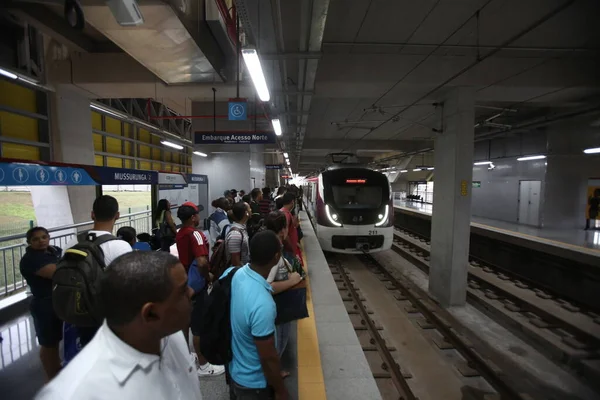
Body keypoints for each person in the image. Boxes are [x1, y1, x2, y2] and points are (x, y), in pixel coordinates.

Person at [35, 252, 203, 400]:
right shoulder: (77, 393)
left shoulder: (169, 334)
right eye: (182, 291)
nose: (191, 292)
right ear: (150, 314)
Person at [226, 230, 289, 400]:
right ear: (276, 257)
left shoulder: (237, 274)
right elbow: (268, 357)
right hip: (254, 386)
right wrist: (281, 390)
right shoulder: (263, 304)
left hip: (235, 371)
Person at [64, 195, 133, 346]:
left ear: (92, 214)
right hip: (108, 313)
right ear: (117, 216)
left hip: (78, 309)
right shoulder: (121, 246)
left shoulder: (74, 241)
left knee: (86, 346)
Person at [175, 202, 226, 377]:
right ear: (192, 218)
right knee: (199, 326)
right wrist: (208, 276)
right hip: (196, 285)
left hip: (183, 283)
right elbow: (202, 262)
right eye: (196, 214)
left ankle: (185, 358)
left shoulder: (180, 233)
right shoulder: (195, 234)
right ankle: (204, 365)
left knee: (185, 323)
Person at [19, 227, 63, 381]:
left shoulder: (54, 251)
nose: (41, 241)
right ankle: (51, 379)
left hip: (58, 300)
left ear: (49, 237)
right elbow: (58, 273)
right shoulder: (31, 260)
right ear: (29, 242)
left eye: (44, 237)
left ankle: (58, 372)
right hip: (44, 304)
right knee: (49, 343)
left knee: (56, 339)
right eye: (36, 239)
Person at [264, 212, 302, 375]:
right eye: (286, 226)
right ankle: (273, 375)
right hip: (278, 306)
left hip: (274, 306)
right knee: (278, 340)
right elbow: (268, 286)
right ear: (282, 230)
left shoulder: (265, 242)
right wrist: (293, 281)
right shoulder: (275, 251)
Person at [225, 201, 252, 267]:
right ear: (246, 213)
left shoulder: (242, 229)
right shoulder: (235, 234)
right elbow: (235, 262)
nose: (251, 210)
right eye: (249, 208)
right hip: (239, 272)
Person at [279, 193, 299, 259]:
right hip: (287, 251)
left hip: (287, 249)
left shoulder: (283, 212)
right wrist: (292, 248)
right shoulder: (285, 214)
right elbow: (285, 236)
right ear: (292, 202)